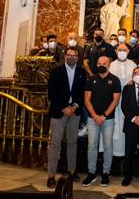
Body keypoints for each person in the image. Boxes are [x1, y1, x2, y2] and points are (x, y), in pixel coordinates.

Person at [46, 48, 87, 188]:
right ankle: (51, 175)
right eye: (69, 55)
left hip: (74, 112)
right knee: (55, 143)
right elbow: (51, 92)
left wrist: (74, 106)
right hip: (59, 111)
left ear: (77, 58)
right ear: (65, 56)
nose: (71, 57)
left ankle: (72, 171)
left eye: (74, 55)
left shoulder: (82, 72)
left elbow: (83, 94)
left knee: (72, 142)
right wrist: (64, 107)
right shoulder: (56, 71)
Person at [83, 56, 121, 187]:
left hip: (108, 119)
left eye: (104, 63)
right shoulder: (91, 79)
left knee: (108, 146)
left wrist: (104, 116)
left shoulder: (115, 80)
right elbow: (87, 99)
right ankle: (91, 173)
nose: (101, 65)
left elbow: (115, 100)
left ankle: (106, 173)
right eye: (99, 63)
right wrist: (94, 115)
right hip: (92, 118)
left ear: (109, 65)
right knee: (92, 146)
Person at [109, 44, 137, 157]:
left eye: (124, 50)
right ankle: (115, 153)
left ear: (128, 51)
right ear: (116, 52)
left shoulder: (133, 65)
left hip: (128, 101)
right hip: (114, 100)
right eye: (119, 50)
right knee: (116, 126)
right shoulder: (111, 65)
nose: (121, 52)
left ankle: (128, 152)